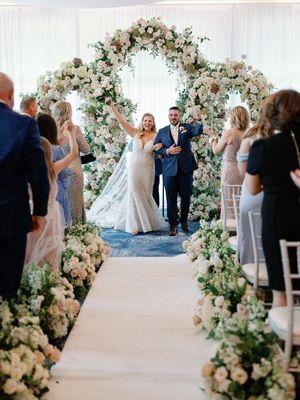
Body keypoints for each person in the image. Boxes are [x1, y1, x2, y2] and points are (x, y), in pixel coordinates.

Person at [246, 89, 300, 308]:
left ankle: (284, 337)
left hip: (279, 216)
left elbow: (252, 188)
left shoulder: (263, 146)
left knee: (282, 285)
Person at [0, 72, 49, 299]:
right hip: (11, 216)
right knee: (8, 286)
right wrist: (39, 211)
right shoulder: (23, 125)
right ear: (10, 95)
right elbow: (38, 173)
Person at [105, 100, 167, 234]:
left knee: (146, 194)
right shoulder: (135, 133)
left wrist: (161, 146)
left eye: (150, 121)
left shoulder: (157, 136)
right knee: (134, 191)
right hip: (134, 168)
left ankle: (147, 223)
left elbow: (163, 150)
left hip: (148, 169)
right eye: (145, 120)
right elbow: (122, 122)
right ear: (142, 121)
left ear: (153, 123)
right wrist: (112, 106)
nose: (147, 123)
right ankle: (134, 225)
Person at [26, 125, 78, 270]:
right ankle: (47, 278)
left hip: (32, 212)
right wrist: (71, 133)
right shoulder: (52, 169)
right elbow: (73, 153)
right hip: (49, 213)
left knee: (33, 248)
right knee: (48, 249)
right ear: (49, 153)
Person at [154, 106, 203, 236]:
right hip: (169, 170)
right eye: (171, 115)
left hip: (186, 169)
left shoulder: (187, 127)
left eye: (176, 115)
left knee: (186, 198)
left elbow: (198, 130)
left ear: (179, 116)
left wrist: (198, 119)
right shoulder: (162, 131)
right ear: (168, 116)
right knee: (171, 199)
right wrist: (167, 151)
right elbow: (156, 148)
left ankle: (184, 222)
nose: (173, 117)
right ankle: (173, 225)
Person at [236, 121, 273, 264]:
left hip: (252, 192)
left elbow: (242, 171)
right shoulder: (280, 137)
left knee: (249, 230)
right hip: (273, 191)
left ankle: (250, 264)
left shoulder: (249, 137)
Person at [207, 106, 249, 221]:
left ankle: (230, 226)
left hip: (230, 171)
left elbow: (216, 151)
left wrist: (212, 137)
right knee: (242, 198)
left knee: (229, 198)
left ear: (233, 117)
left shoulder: (229, 133)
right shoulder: (248, 134)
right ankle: (241, 224)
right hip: (244, 171)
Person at [52, 101, 90, 224]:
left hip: (59, 172)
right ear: (70, 113)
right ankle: (77, 232)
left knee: (61, 203)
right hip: (75, 171)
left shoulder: (52, 131)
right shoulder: (75, 129)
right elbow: (86, 149)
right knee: (75, 204)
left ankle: (62, 232)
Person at [37, 114, 72, 225]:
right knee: (59, 225)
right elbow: (65, 173)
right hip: (56, 189)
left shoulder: (31, 148)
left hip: (38, 189)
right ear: (52, 129)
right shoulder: (57, 149)